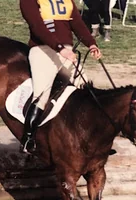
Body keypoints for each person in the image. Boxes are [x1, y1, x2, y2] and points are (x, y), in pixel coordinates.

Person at [19, 0, 102, 153]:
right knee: (41, 95)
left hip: (67, 53)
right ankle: (28, 139)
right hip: (43, 50)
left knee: (86, 91)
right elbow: (37, 27)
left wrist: (91, 43)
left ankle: (92, 138)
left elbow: (76, 22)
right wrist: (59, 48)